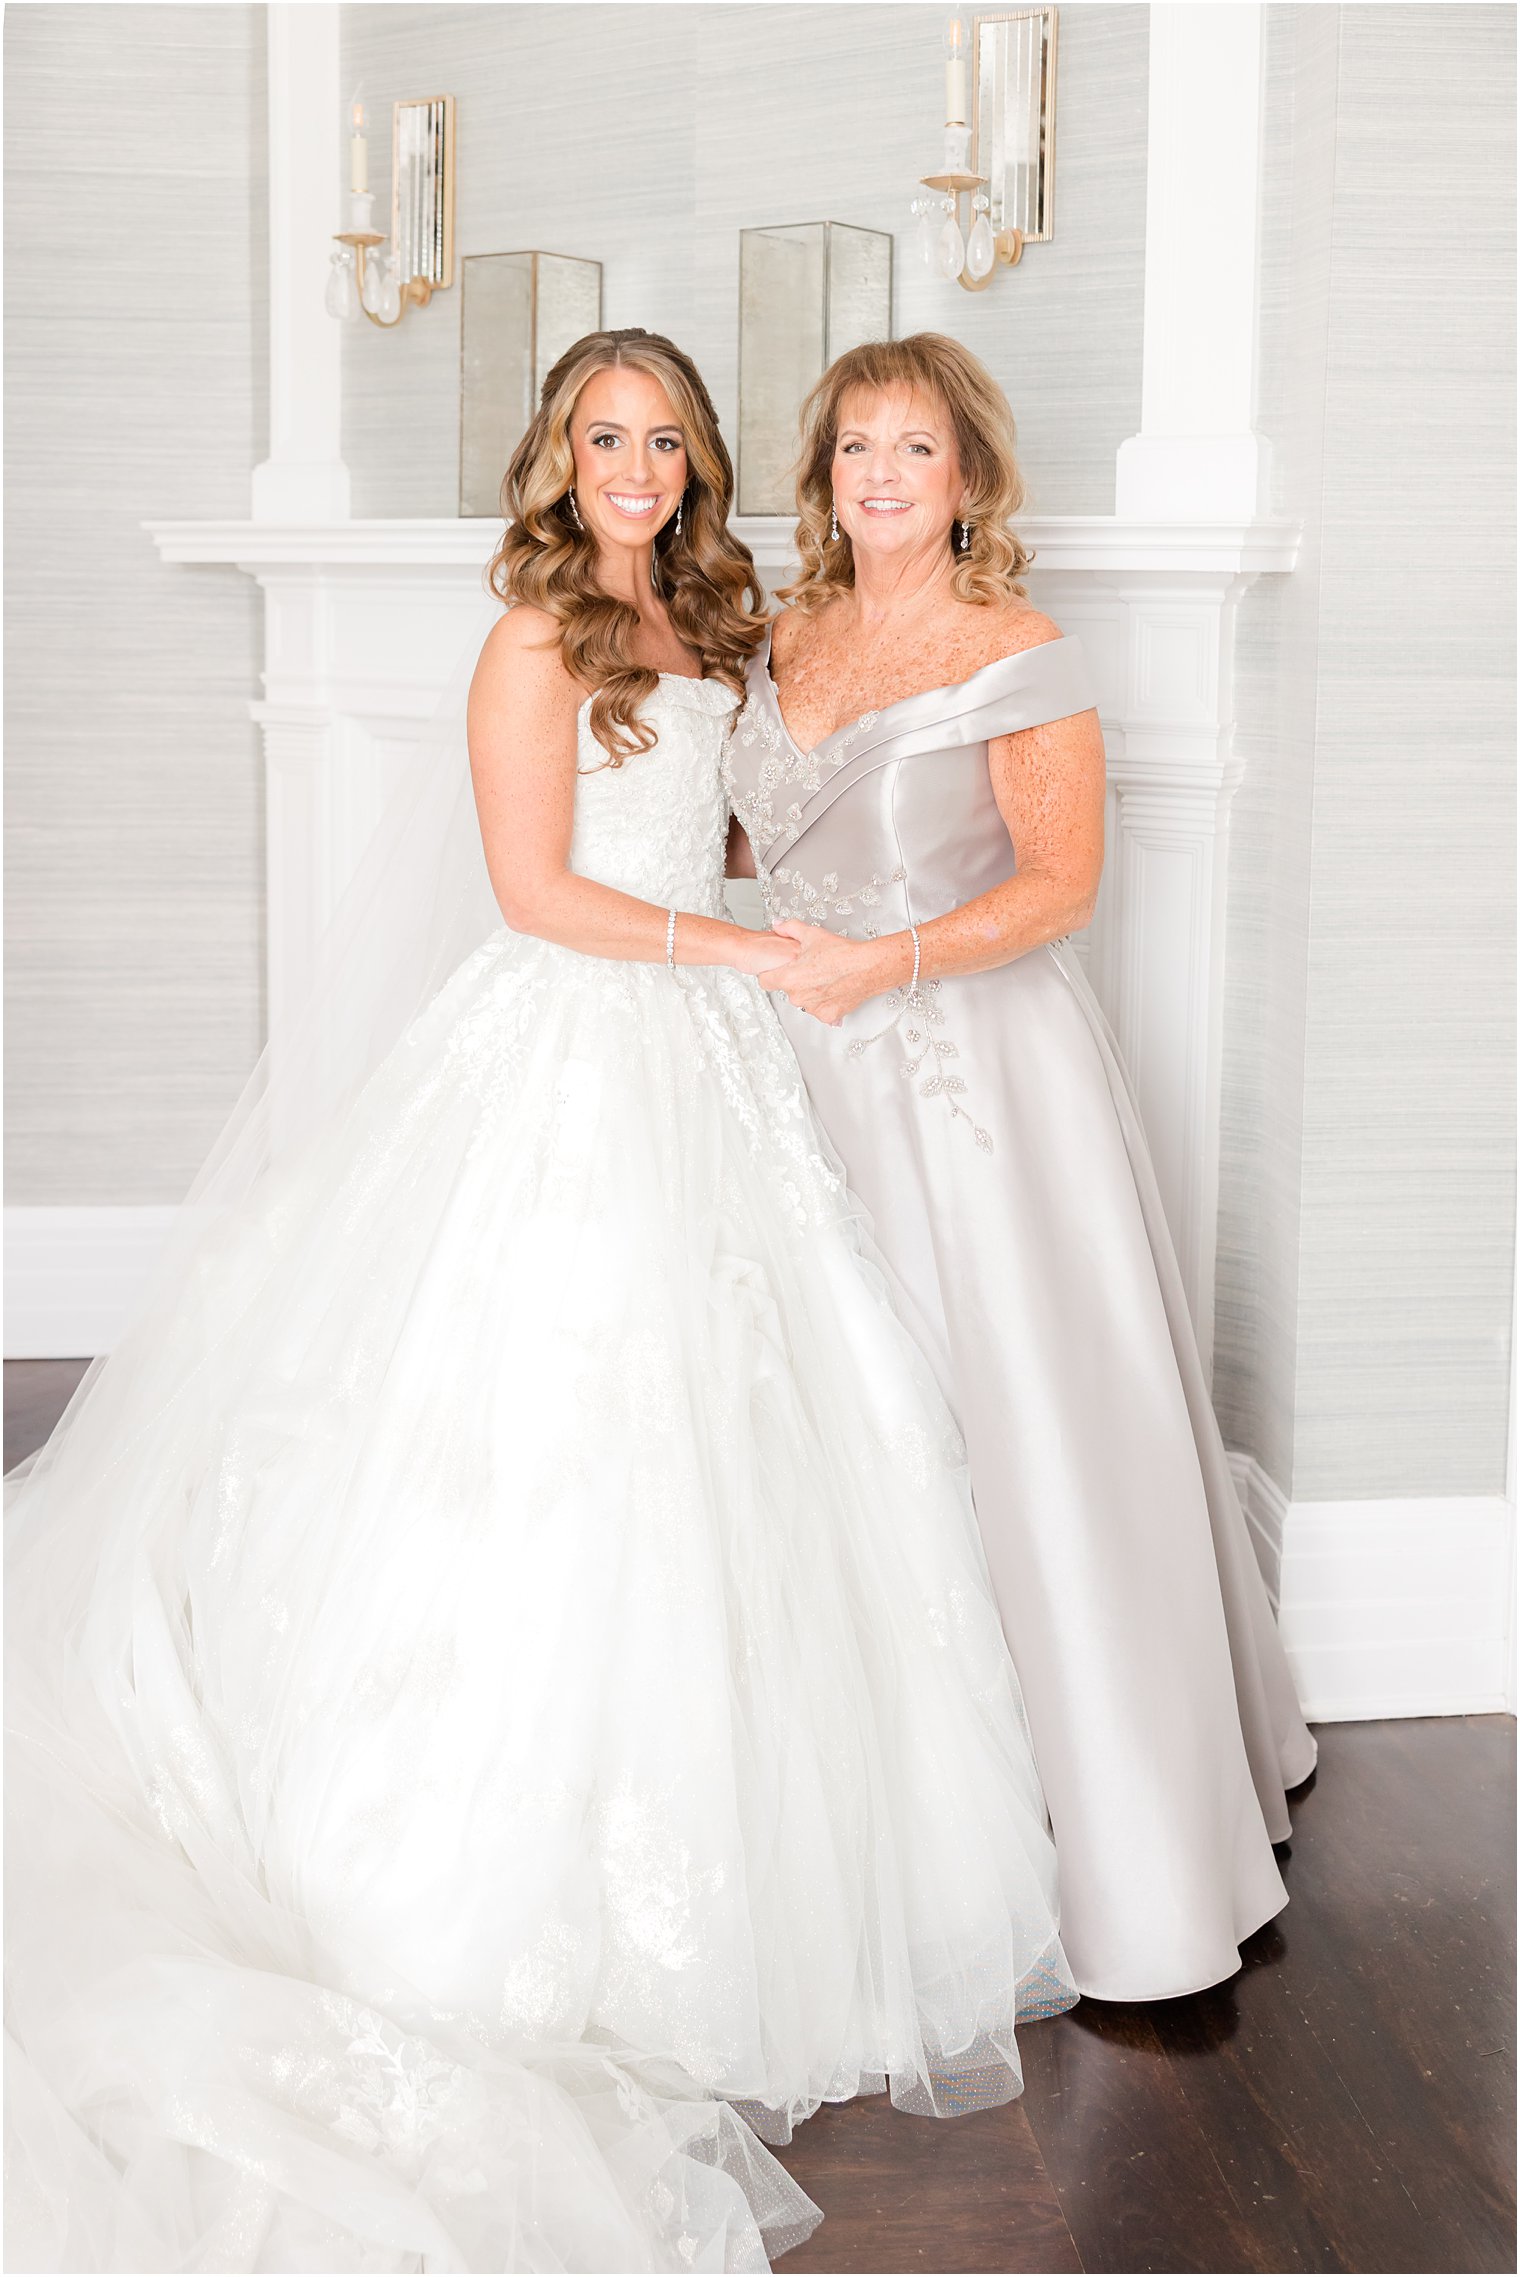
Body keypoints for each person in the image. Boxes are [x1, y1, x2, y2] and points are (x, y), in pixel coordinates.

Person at [4, 329, 1078, 2276]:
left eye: (665, 437)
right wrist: (727, 941)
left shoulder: (719, 622)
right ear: (556, 458)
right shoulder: (532, 636)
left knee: (759, 1425)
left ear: (697, 460)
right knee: (546, 1433)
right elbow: (535, 890)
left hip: (722, 1055)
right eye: (605, 437)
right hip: (577, 1042)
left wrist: (805, 906)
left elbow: (737, 822)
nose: (638, 466)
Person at [724, 332, 1317, 2004]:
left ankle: (1117, 1825)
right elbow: (749, 847)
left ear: (969, 475)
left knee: (1018, 1420)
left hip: (962, 1073)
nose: (882, 477)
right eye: (855, 448)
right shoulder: (779, 636)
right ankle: (871, 1808)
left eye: (915, 448)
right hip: (785, 1058)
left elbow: (1060, 885)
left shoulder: (1020, 651)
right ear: (823, 473)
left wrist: (882, 968)